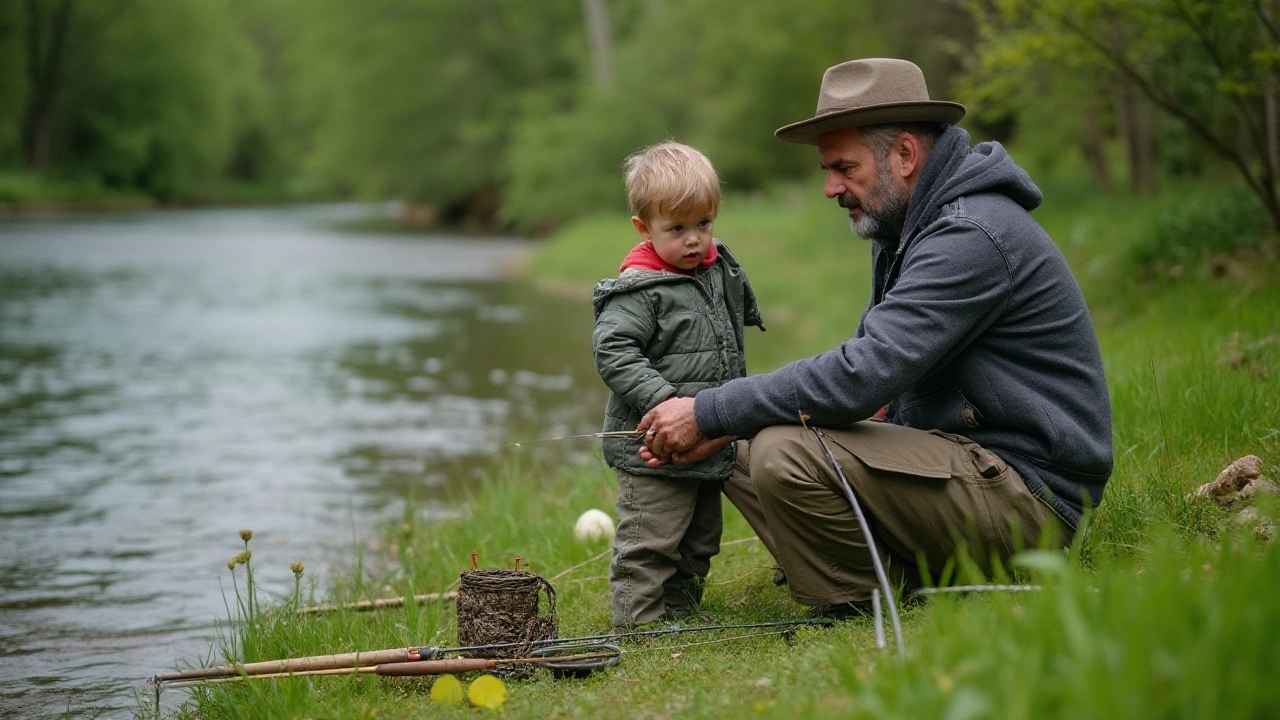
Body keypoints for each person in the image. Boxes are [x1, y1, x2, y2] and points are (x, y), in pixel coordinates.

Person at [637, 59, 1113, 617]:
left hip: (1031, 502)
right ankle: (874, 569)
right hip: (968, 467)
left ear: (905, 156)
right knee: (743, 440)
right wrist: (727, 418)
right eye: (827, 168)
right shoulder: (906, 224)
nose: (829, 187)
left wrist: (710, 410)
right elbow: (875, 377)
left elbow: (861, 376)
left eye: (844, 167)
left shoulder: (970, 235)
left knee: (781, 448)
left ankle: (864, 594)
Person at [592, 141, 770, 629]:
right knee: (651, 538)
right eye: (677, 229)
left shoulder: (715, 271)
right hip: (653, 443)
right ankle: (637, 621)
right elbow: (613, 352)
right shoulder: (640, 289)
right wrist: (663, 401)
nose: (694, 240)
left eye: (704, 224)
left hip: (707, 435)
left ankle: (680, 612)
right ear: (643, 228)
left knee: (700, 538)